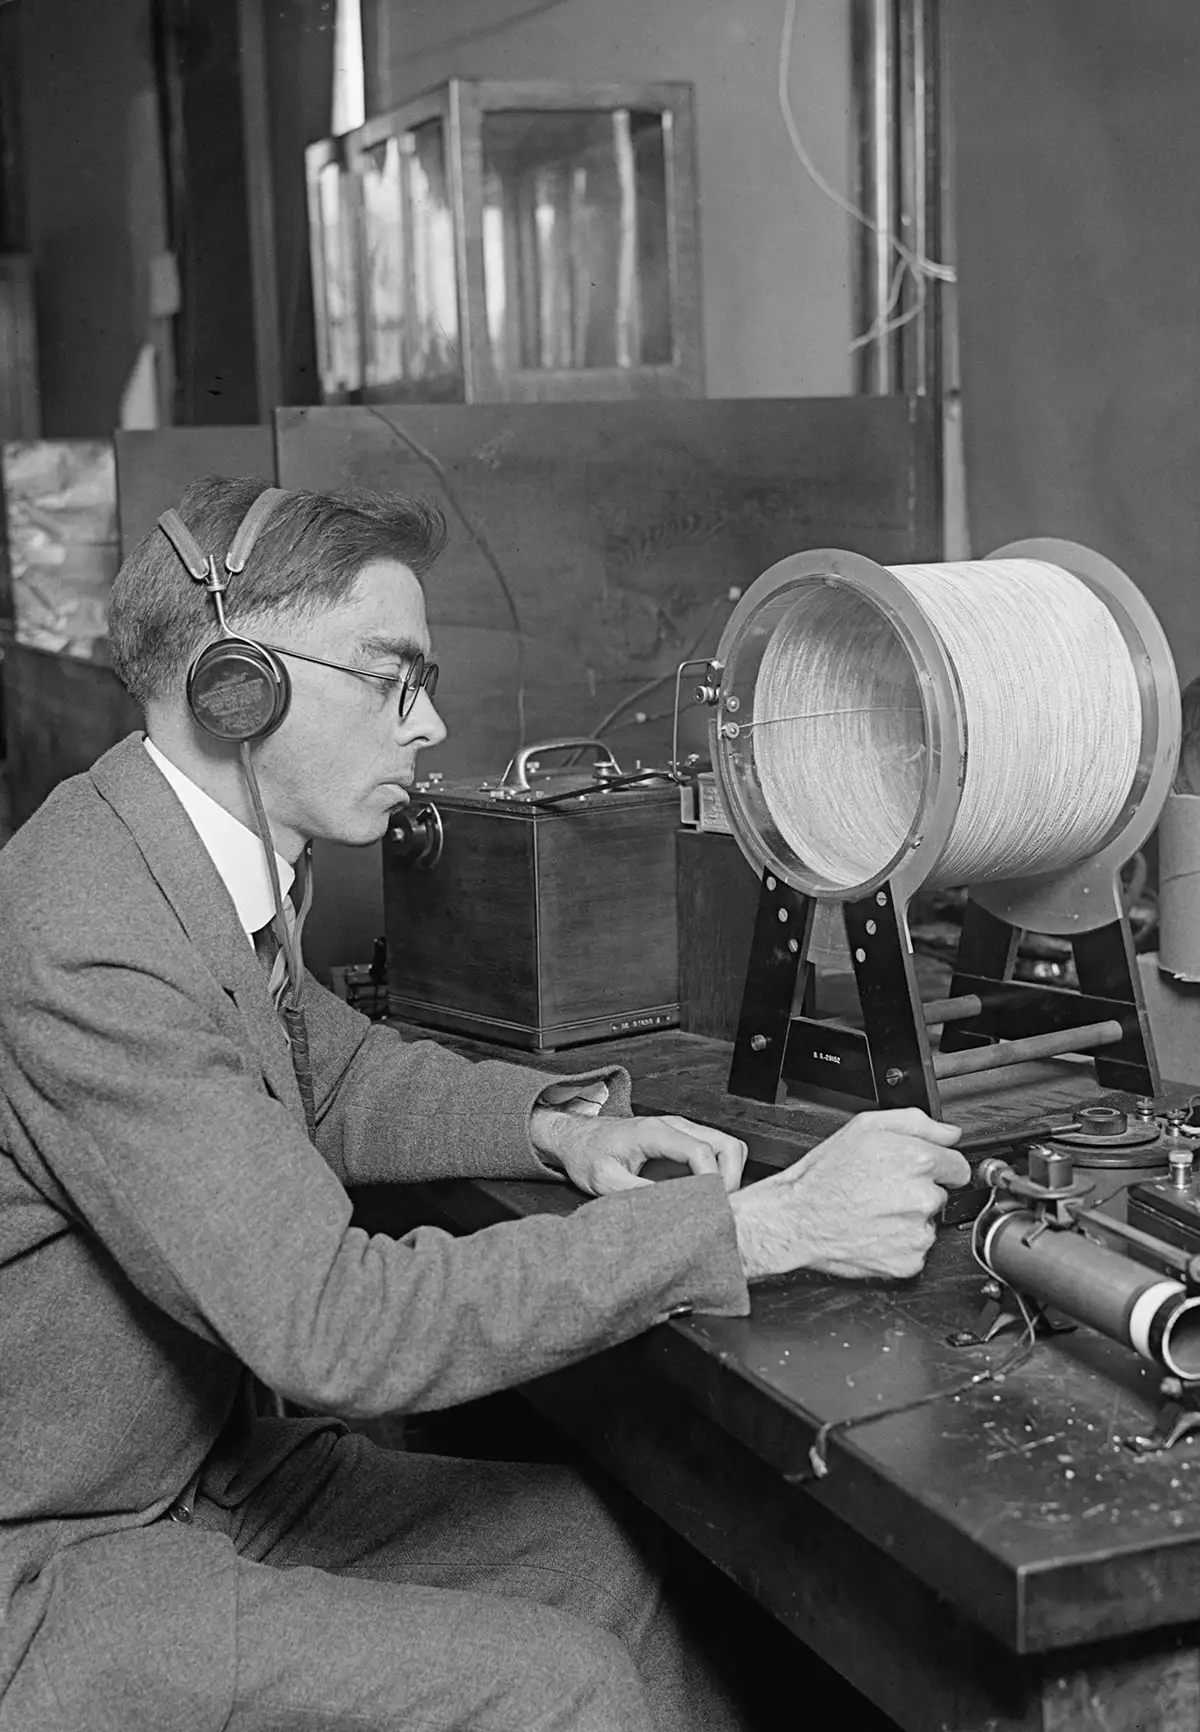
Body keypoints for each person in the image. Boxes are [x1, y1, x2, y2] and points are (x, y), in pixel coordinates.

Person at [0, 478, 969, 1732]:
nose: (432, 725)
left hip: (201, 1472)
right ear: (241, 681)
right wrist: (755, 1229)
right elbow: (332, 1326)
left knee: (612, 1566)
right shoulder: (90, 932)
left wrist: (556, 1125)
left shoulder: (189, 854)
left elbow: (327, 1069)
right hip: (62, 1560)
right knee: (557, 1689)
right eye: (393, 677)